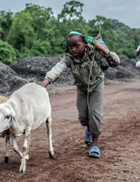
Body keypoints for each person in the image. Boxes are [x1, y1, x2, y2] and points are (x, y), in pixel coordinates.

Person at [40, 30, 120, 159]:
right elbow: (58, 68)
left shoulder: (95, 53)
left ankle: (95, 144)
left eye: (76, 46)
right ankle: (88, 129)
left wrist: (102, 48)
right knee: (83, 116)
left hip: (96, 85)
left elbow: (116, 62)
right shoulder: (69, 58)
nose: (73, 49)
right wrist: (44, 83)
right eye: (70, 46)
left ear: (84, 43)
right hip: (82, 87)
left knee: (95, 114)